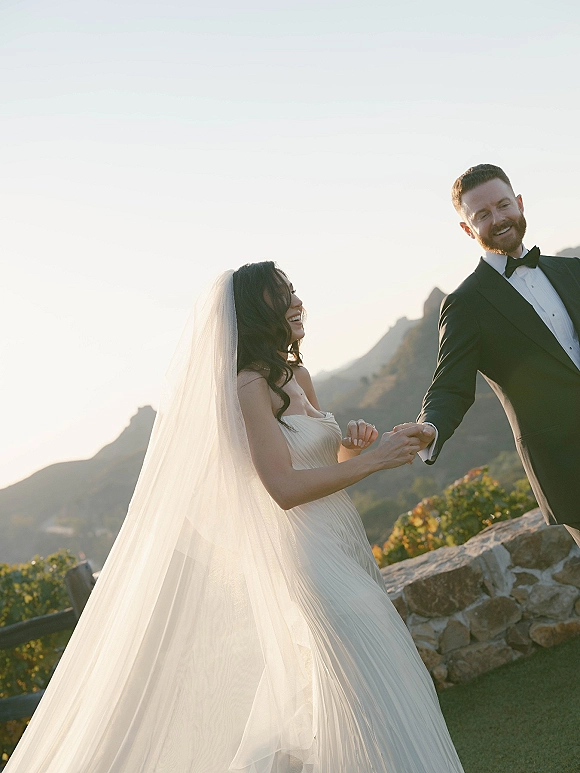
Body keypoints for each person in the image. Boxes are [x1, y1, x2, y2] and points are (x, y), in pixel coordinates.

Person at [4, 262, 464, 773]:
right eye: (279, 296)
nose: (295, 302)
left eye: (292, 291)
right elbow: (283, 489)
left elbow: (320, 467)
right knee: (370, 693)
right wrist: (376, 463)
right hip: (310, 560)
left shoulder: (300, 378)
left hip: (345, 544)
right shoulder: (250, 387)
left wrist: (357, 450)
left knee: (384, 686)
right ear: (253, 313)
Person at [414, 163, 580, 547]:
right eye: (483, 215)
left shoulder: (572, 270)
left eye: (504, 205)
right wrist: (430, 428)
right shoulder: (465, 303)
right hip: (568, 465)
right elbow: (450, 387)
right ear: (467, 228)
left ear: (519, 204)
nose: (498, 219)